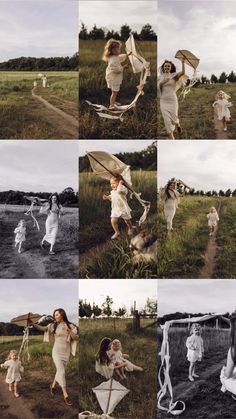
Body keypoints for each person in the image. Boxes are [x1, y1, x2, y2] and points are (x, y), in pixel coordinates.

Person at [31, 308, 77, 406]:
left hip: (66, 352)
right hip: (56, 351)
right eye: (55, 315)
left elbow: (75, 338)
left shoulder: (71, 325)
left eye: (56, 314)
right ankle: (66, 395)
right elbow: (42, 328)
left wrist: (69, 330)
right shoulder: (53, 326)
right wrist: (33, 324)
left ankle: (52, 386)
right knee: (62, 372)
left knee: (59, 371)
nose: (55, 316)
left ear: (62, 315)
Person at [158, 59, 186, 139]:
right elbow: (158, 88)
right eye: (165, 66)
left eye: (168, 66)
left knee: (174, 118)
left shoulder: (174, 76)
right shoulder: (159, 77)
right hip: (163, 101)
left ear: (171, 67)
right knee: (166, 120)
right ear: (163, 67)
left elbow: (183, 73)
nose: (167, 67)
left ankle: (177, 124)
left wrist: (183, 62)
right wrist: (162, 82)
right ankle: (171, 135)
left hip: (172, 100)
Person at [102, 39, 132, 109]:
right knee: (114, 93)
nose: (119, 51)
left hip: (113, 78)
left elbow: (120, 57)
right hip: (113, 79)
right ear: (112, 51)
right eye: (117, 49)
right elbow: (116, 69)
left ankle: (113, 102)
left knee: (114, 92)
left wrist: (127, 55)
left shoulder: (115, 56)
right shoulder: (113, 60)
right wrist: (123, 67)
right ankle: (111, 105)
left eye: (119, 49)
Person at [103, 175, 133, 240]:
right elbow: (112, 198)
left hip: (123, 209)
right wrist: (107, 197)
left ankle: (130, 228)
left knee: (127, 221)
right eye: (111, 183)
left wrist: (120, 184)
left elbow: (119, 191)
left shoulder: (123, 189)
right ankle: (117, 232)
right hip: (115, 209)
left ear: (120, 182)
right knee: (113, 221)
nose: (112, 185)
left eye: (114, 183)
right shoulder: (112, 191)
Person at [220, 313, 236, 398]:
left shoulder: (233, 350)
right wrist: (221, 317)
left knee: (224, 376)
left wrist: (224, 371)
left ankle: (226, 387)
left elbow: (228, 375)